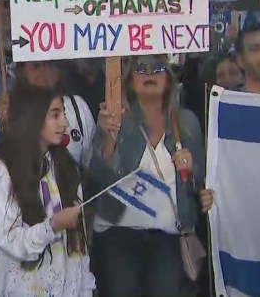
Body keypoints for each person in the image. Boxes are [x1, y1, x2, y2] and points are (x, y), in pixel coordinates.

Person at [91, 54, 214, 297]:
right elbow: (99, 179)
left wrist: (192, 171)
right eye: (141, 69)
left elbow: (199, 183)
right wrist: (108, 139)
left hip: (168, 237)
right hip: (119, 234)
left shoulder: (187, 122)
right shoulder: (115, 118)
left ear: (169, 79)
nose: (149, 74)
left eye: (157, 68)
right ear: (130, 80)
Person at [0, 84, 95, 296]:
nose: (64, 122)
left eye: (63, 113)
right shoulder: (2, 173)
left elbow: (78, 245)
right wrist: (52, 226)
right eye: (55, 115)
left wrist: (85, 288)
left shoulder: (67, 167)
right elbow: (11, 241)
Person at [13, 60, 97, 169]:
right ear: (21, 72)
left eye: (49, 64)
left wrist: (108, 139)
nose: (44, 72)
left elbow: (90, 165)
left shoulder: (78, 106)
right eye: (36, 66)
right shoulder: (11, 112)